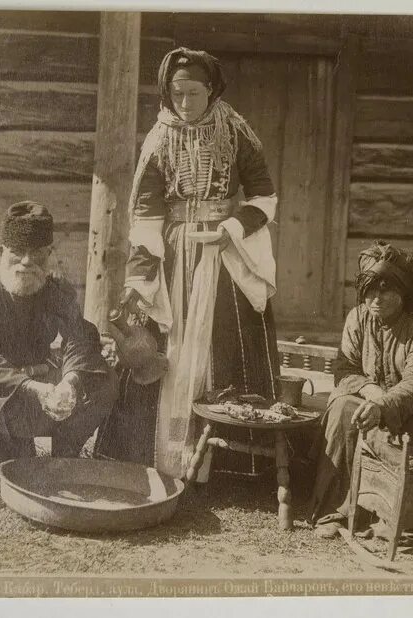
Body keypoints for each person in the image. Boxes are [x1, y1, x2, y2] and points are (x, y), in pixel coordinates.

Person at [94, 48, 280, 478]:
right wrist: (143, 273)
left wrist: (230, 228)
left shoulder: (236, 131)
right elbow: (146, 213)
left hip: (223, 251)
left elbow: (264, 198)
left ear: (211, 89)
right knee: (163, 344)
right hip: (174, 251)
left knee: (223, 345)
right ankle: (155, 455)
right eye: (177, 94)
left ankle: (231, 464)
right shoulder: (160, 137)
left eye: (193, 93)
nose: (185, 103)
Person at [0, 202, 117, 500]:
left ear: (49, 255)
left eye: (37, 253)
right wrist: (32, 386)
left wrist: (70, 380)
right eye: (17, 252)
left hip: (39, 404)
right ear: (1, 252)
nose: (27, 262)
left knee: (102, 375)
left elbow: (81, 335)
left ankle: (61, 462)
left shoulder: (57, 291)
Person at [306, 241, 413, 538]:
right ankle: (339, 510)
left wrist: (384, 406)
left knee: (406, 425)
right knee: (343, 408)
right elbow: (345, 369)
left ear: (403, 292)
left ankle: (395, 516)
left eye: (385, 290)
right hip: (367, 399)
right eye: (370, 291)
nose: (376, 298)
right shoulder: (358, 317)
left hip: (409, 410)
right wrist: (370, 392)